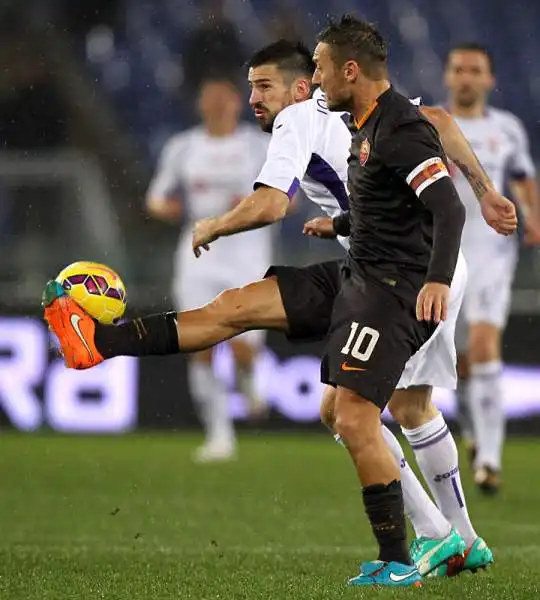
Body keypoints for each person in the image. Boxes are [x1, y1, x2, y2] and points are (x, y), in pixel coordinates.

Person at [42, 32, 516, 585]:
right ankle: (99, 342)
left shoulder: (299, 117)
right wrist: (481, 190)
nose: (253, 100)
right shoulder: (351, 107)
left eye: (262, 86)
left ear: (301, 85)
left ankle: (437, 539)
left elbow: (271, 203)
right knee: (379, 398)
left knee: (359, 414)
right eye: (250, 88)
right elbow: (439, 120)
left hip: (404, 275)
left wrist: (214, 224)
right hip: (378, 266)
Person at [146, 77, 271, 462]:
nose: (217, 105)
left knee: (241, 349)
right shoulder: (183, 147)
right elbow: (155, 199)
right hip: (198, 254)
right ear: (200, 104)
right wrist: (184, 212)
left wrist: (249, 207)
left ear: (238, 103)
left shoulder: (258, 145)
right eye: (209, 98)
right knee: (199, 344)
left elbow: (289, 196)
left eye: (224, 98)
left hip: (247, 254)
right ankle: (220, 436)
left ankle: (248, 381)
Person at [444, 43, 540, 494]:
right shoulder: (433, 125)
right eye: (458, 69)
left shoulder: (507, 129)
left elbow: (522, 178)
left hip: (493, 254)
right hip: (443, 256)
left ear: (488, 79)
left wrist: (533, 218)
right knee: (460, 364)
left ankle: (489, 461)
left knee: (484, 346)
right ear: (448, 77)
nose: (465, 77)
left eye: (474, 70)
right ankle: (474, 431)